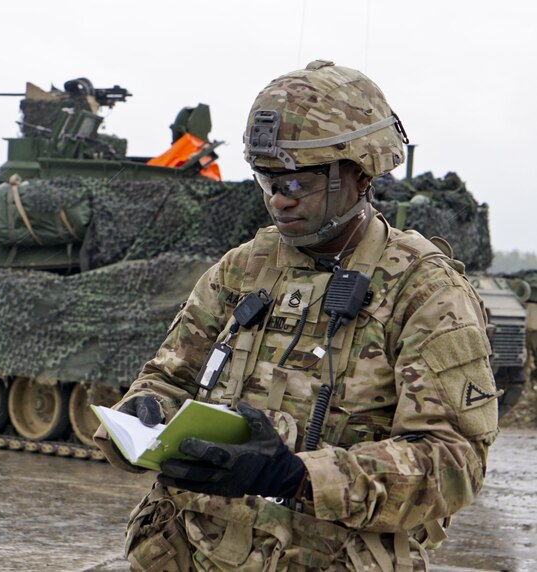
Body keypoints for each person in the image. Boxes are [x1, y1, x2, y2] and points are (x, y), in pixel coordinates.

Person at [94, 60, 499, 571]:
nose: (278, 201)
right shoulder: (244, 268)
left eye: (297, 183)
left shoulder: (424, 291)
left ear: (360, 173)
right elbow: (168, 377)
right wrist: (142, 410)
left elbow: (454, 463)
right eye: (267, 180)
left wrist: (297, 477)